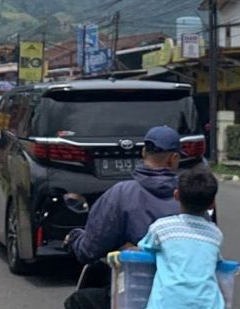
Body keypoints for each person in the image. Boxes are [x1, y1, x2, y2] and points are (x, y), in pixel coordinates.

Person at [64, 126, 182, 309]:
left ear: (143, 152)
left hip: (134, 293)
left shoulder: (121, 194)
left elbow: (90, 250)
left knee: (77, 301)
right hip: (180, 294)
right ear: (174, 159)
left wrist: (74, 238)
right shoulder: (190, 198)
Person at [138, 166, 223, 309]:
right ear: (212, 204)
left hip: (166, 304)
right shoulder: (215, 234)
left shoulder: (161, 228)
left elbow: (144, 250)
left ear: (176, 195)